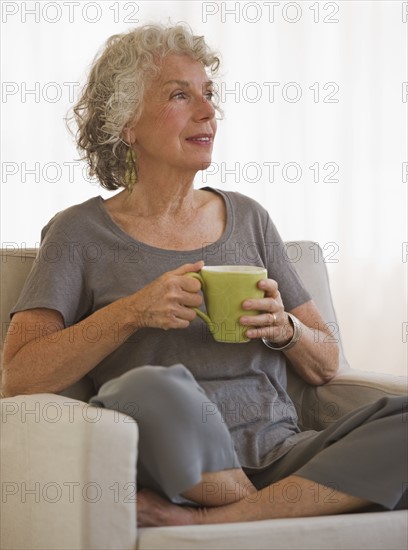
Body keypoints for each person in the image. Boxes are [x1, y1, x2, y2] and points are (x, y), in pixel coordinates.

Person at [2, 23, 406, 527]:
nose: (208, 110)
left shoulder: (250, 217)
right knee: (149, 387)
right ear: (126, 123)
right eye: (180, 94)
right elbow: (19, 377)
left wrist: (287, 331)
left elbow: (325, 364)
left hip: (284, 457)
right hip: (180, 461)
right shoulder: (78, 233)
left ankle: (215, 521)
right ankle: (283, 506)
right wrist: (132, 312)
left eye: (209, 94)